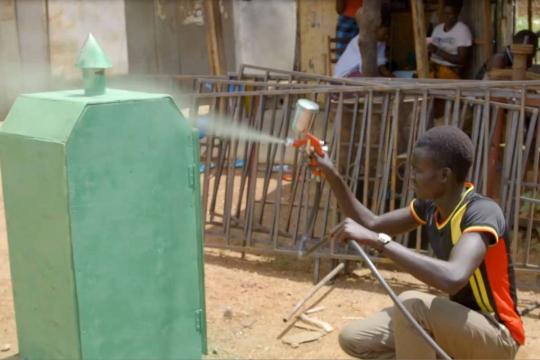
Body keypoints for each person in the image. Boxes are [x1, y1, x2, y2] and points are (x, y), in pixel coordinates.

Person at [314, 126, 524, 359]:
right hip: (458, 325)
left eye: (418, 170)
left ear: (444, 175)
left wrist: (380, 242)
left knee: (412, 306)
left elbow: (452, 277)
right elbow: (371, 222)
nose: (411, 176)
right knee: (355, 338)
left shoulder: (482, 212)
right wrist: (332, 174)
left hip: (497, 334)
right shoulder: (430, 206)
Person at [334, 10, 392, 78]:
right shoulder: (362, 41)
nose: (387, 36)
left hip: (361, 72)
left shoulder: (381, 41)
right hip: (346, 74)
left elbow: (380, 61)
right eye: (385, 34)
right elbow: (365, 69)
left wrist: (388, 75)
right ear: (376, 28)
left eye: (388, 34)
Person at [428, 1, 472, 79]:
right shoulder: (437, 29)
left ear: (457, 14)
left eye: (450, 14)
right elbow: (430, 50)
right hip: (433, 66)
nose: (447, 16)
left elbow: (462, 60)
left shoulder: (462, 30)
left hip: (451, 70)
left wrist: (437, 51)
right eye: (445, 13)